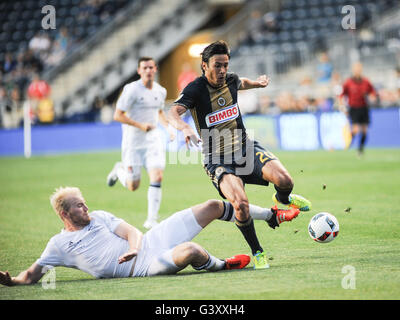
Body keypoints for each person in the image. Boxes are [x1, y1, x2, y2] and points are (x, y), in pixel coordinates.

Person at [168, 40, 311, 269]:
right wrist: (184, 128)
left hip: (245, 148)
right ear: (204, 66)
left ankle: (282, 199)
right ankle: (257, 252)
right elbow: (173, 111)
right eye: (217, 65)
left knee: (285, 181)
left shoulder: (231, 79)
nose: (222, 70)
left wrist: (257, 83)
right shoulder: (196, 89)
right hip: (217, 159)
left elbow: (241, 82)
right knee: (240, 204)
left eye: (225, 65)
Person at [0, 186, 301, 286]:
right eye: (79, 205)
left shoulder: (100, 217)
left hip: (149, 241)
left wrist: (133, 247)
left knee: (210, 205)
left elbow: (132, 231)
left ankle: (271, 214)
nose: (86, 206)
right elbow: (31, 275)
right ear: (65, 214)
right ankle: (222, 264)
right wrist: (11, 281)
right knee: (192, 251)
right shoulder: (59, 245)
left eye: (84, 201)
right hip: (144, 267)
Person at [107, 57, 175, 229]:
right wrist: (140, 126)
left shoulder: (160, 91)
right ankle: (119, 169)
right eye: (144, 68)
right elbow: (118, 115)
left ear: (155, 69)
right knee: (133, 186)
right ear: (139, 71)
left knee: (157, 176)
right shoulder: (131, 90)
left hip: (152, 142)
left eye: (151, 67)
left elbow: (159, 111)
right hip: (133, 144)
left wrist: (168, 128)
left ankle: (151, 220)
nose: (148, 70)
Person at [340, 62, 377, 155]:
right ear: (353, 71)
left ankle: (360, 149)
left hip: (364, 108)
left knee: (364, 131)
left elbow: (372, 92)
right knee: (356, 129)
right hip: (354, 108)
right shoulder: (348, 82)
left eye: (359, 69)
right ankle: (348, 140)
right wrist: (342, 107)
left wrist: (372, 97)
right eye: (356, 69)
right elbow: (342, 95)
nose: (358, 71)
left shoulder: (366, 81)